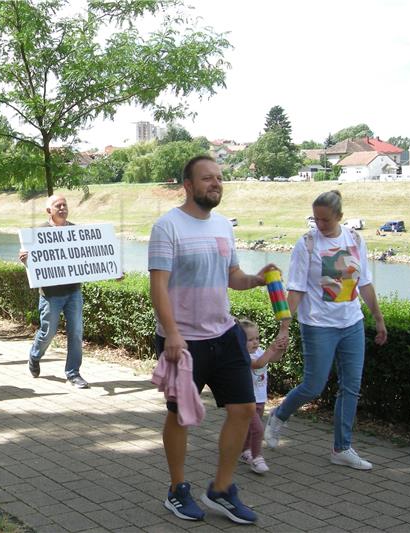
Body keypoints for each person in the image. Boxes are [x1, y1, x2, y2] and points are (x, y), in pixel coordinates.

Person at [149, 155, 283, 524]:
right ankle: (177, 490)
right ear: (188, 185)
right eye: (207, 178)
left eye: (219, 178)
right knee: (180, 417)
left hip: (225, 334)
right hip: (184, 341)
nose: (216, 184)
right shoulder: (167, 227)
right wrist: (172, 333)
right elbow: (158, 287)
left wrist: (255, 279)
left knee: (243, 410)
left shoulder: (224, 225)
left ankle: (221, 489)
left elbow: (233, 275)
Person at [265, 190, 387, 470]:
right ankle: (279, 416)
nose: (319, 225)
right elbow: (294, 289)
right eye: (315, 219)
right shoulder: (306, 244)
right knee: (313, 386)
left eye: (325, 221)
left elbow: (364, 283)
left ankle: (341, 448)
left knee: (351, 387)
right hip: (318, 325)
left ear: (340, 218)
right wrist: (285, 327)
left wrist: (378, 318)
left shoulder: (355, 239)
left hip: (351, 323)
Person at [19, 195, 88, 389]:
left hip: (73, 290)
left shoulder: (75, 230)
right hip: (50, 294)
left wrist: (112, 269)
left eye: (65, 204)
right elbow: (30, 261)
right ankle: (35, 355)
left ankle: (73, 373)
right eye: (58, 205)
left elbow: (89, 256)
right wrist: (25, 259)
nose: (63, 208)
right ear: (49, 210)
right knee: (48, 331)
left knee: (76, 332)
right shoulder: (39, 232)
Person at [237, 318, 285, 475]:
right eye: (250, 340)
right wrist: (271, 349)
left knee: (250, 429)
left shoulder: (258, 351)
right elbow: (258, 364)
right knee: (258, 429)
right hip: (246, 399)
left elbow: (273, 359)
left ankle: (244, 451)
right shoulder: (243, 355)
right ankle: (257, 458)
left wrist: (280, 349)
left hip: (260, 398)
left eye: (257, 338)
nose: (255, 342)